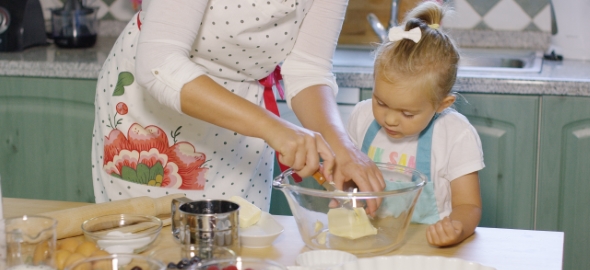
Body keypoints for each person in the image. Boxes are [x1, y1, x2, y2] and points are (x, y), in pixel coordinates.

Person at [91, 0, 385, 212]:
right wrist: (272, 126)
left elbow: (307, 69)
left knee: (237, 250)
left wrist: (342, 148)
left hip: (243, 124)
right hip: (155, 116)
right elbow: (160, 62)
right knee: (150, 251)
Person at [346, 1, 484, 247]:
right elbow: (349, 181)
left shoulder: (455, 134)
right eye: (381, 102)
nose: (389, 118)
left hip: (428, 250)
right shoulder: (362, 116)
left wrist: (456, 228)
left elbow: (469, 206)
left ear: (442, 104)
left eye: (407, 113)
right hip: (369, 244)